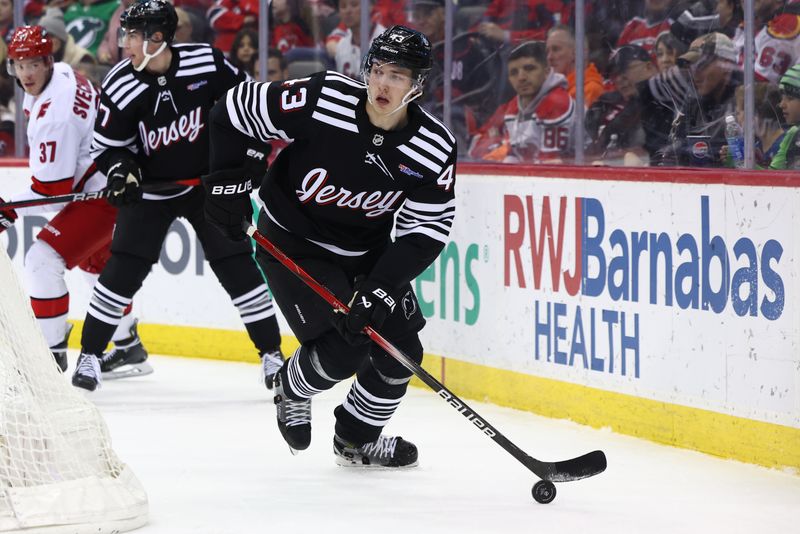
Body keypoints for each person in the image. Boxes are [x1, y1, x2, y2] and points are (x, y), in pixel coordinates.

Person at [203, 25, 456, 467]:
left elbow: (426, 230)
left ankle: (355, 441)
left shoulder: (433, 147)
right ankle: (292, 385)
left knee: (402, 356)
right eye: (377, 70)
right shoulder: (323, 98)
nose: (382, 83)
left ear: (417, 84)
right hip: (292, 241)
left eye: (397, 75)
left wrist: (380, 286)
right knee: (345, 348)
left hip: (365, 250)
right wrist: (226, 185)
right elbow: (234, 110)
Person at [70, 0, 283, 392]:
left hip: (208, 186)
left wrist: (253, 152)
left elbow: (250, 106)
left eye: (133, 35)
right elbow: (107, 147)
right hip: (153, 191)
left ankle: (271, 354)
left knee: (237, 265)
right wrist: (121, 170)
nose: (125, 44)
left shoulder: (208, 63)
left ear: (158, 38)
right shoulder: (120, 82)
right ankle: (89, 355)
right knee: (122, 271)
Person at [0, 25, 148, 375]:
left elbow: (53, 194)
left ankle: (49, 359)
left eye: (34, 64)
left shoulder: (57, 116)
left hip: (104, 193)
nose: (26, 73)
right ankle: (128, 346)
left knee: (42, 259)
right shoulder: (64, 74)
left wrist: (8, 210)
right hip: (109, 178)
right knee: (95, 266)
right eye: (19, 65)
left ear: (48, 61)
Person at [468, 40, 575, 163]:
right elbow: (514, 156)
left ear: (546, 72)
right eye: (514, 72)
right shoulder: (512, 108)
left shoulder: (557, 103)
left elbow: (550, 165)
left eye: (529, 69)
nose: (521, 78)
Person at [661, 31, 741, 166]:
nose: (694, 72)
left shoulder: (747, 104)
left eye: (701, 65)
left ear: (726, 65)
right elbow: (671, 153)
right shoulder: (693, 102)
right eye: (690, 66)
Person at [586, 44, 657, 164]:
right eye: (614, 74)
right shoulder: (606, 105)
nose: (619, 79)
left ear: (649, 67)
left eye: (625, 70)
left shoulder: (668, 102)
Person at [545, 24, 604, 108]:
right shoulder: (551, 88)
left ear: (577, 51)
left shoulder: (590, 90)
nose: (549, 57)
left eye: (556, 49)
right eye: (547, 51)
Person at [332, 0, 384, 79]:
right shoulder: (342, 45)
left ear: (370, 6)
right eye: (343, 6)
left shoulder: (386, 42)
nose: (348, 11)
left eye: (354, 4)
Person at [770, 64, 800, 169]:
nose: (781, 104)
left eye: (790, 98)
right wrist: (739, 159)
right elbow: (771, 178)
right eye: (782, 98)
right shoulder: (793, 133)